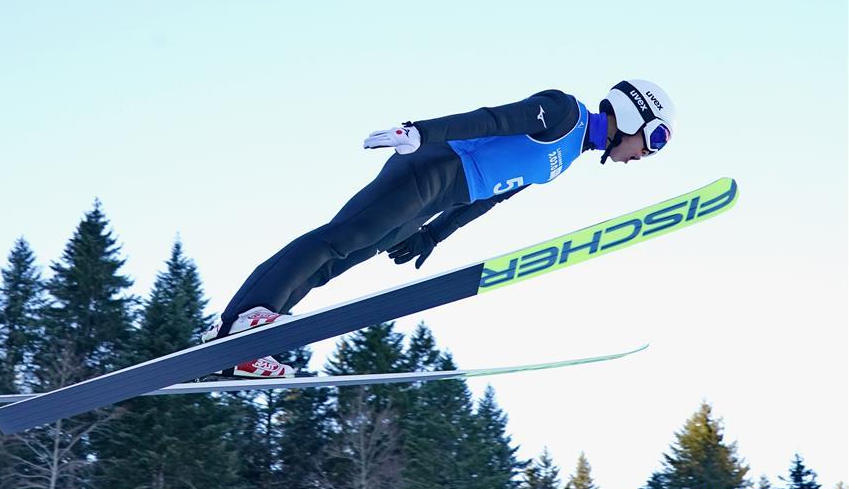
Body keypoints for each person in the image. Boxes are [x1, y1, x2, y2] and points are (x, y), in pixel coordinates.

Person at [202, 79, 676, 378]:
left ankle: (248, 339)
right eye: (651, 142)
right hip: (433, 167)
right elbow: (492, 118)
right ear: (631, 115)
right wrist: (422, 132)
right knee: (339, 238)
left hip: (442, 196)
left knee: (340, 258)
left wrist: (433, 234)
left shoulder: (569, 156)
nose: (643, 156)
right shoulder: (564, 113)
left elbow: (495, 194)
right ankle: (239, 321)